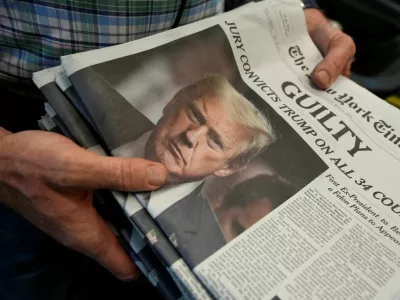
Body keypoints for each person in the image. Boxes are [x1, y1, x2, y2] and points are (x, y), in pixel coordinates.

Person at [0, 0, 356, 299]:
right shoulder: (110, 102)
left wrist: (296, 13)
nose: (191, 137)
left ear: (229, 168)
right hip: (20, 130)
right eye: (194, 115)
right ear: (172, 102)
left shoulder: (207, 241)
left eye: (215, 141)